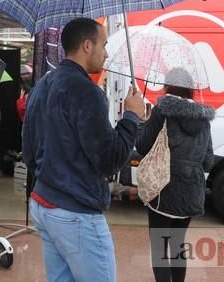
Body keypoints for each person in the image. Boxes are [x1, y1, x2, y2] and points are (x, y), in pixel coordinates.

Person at [23, 17, 146, 282]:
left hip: (44, 205)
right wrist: (132, 117)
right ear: (87, 45)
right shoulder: (86, 92)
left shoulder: (42, 85)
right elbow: (110, 160)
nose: (106, 53)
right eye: (104, 45)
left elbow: (29, 152)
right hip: (76, 212)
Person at [135, 68, 214, 282]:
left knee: (160, 251)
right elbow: (208, 160)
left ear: (168, 86)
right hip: (191, 191)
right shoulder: (203, 118)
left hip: (164, 189)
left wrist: (142, 123)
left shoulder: (162, 111)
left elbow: (142, 146)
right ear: (190, 90)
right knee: (178, 246)